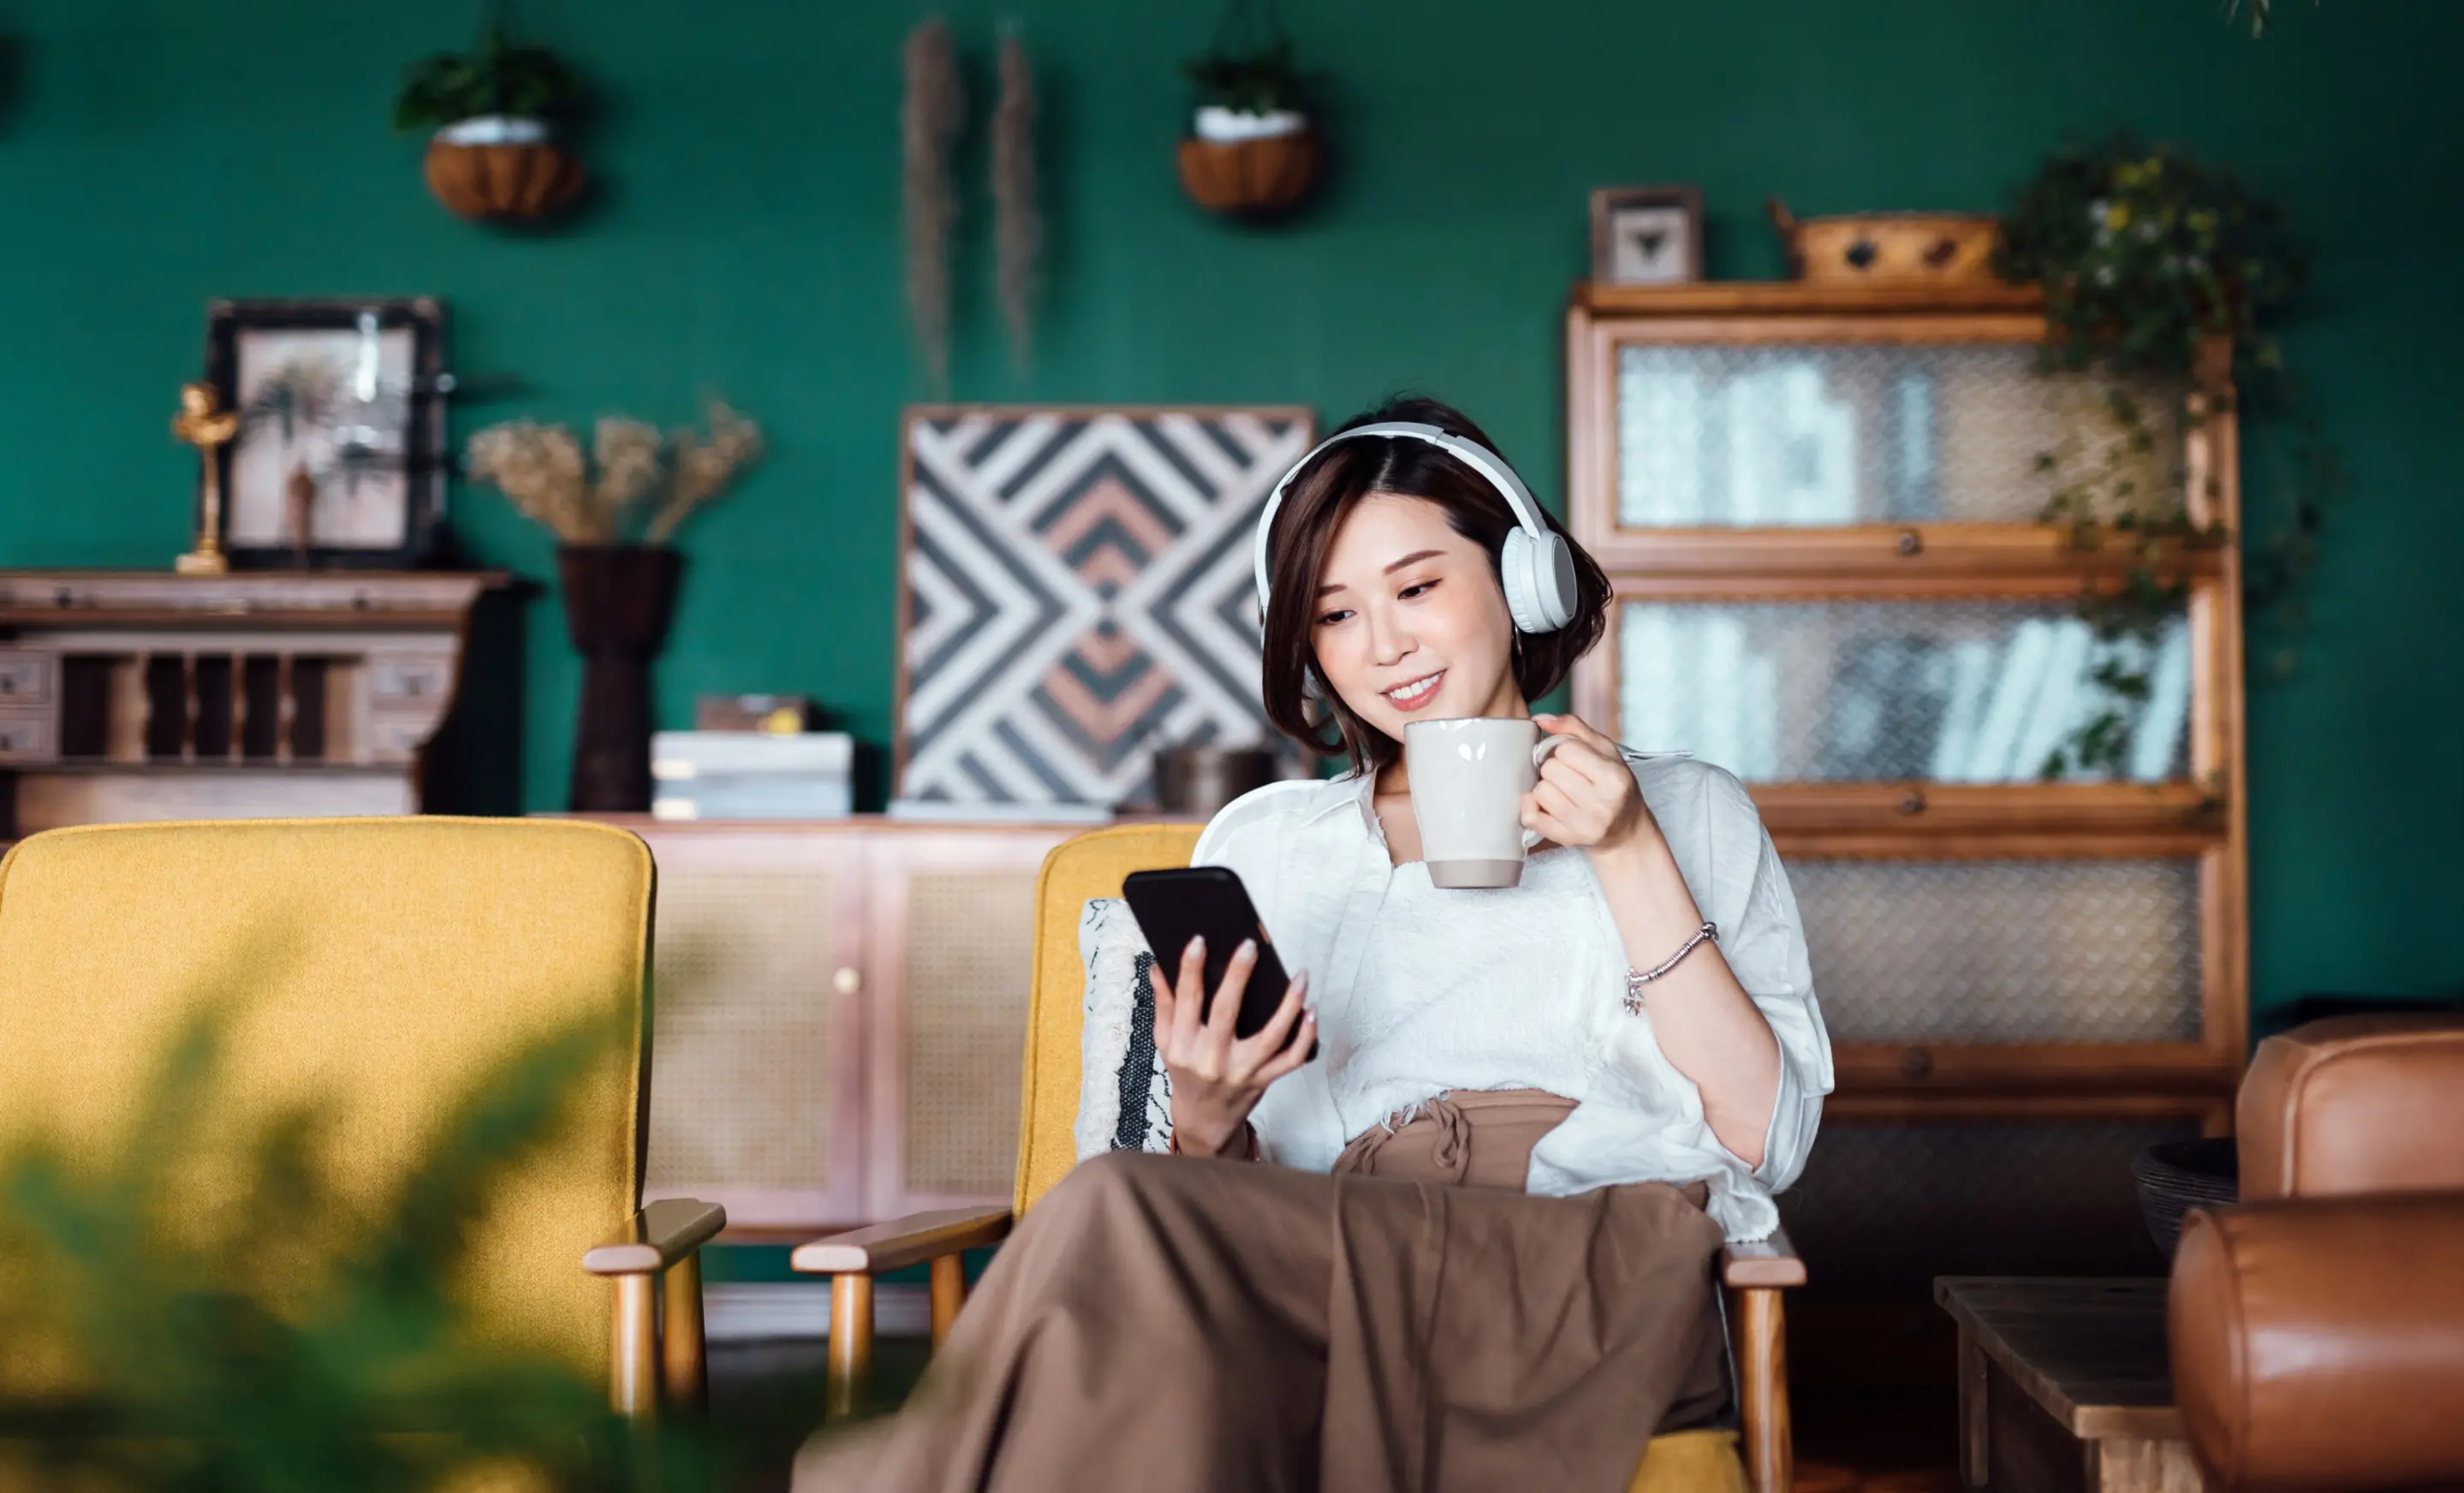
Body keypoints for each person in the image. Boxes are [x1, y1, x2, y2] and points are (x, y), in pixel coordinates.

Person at [796, 396, 1832, 1493]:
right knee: (1128, 1235)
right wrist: (1204, 1112)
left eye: (1418, 588)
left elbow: (1767, 1140)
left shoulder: (1683, 809)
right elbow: (1224, 1200)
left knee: (1106, 1204)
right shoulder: (1265, 841)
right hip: (1319, 1281)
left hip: (1583, 1275)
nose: (1382, 647)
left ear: (1525, 578)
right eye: (1334, 616)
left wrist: (1627, 851)